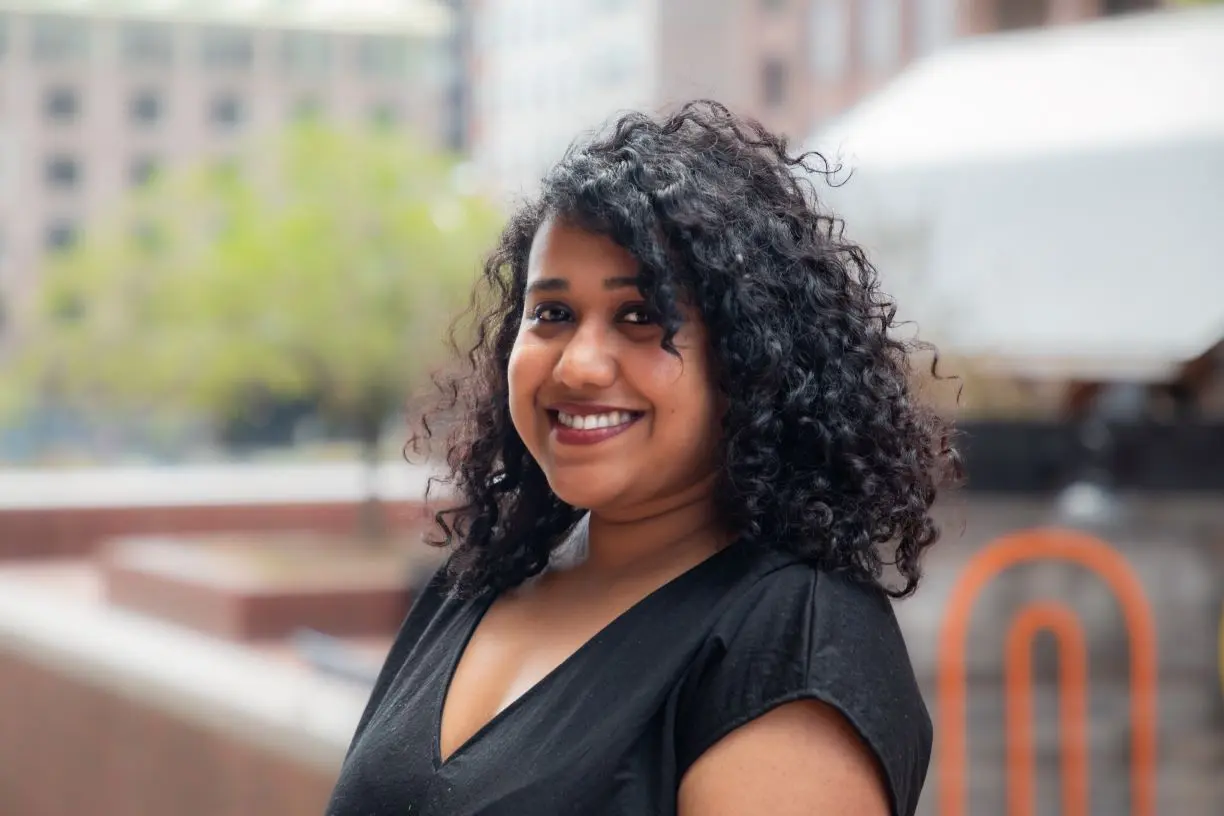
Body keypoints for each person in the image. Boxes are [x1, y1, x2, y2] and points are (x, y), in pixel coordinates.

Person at [326, 101, 959, 816]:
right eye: (552, 314)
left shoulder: (790, 646)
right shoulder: (481, 580)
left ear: (749, 357)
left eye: (640, 316)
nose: (580, 366)